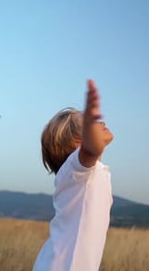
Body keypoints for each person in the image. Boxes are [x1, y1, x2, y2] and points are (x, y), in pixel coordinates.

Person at [33, 79, 114, 271]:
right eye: (89, 122)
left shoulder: (86, 173)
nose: (101, 121)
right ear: (78, 142)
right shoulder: (77, 171)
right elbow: (90, 150)